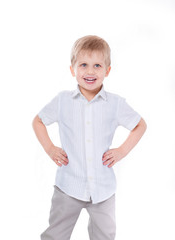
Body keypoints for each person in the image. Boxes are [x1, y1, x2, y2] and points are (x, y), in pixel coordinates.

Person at [32, 35, 147, 240]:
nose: (90, 71)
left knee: (104, 235)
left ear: (107, 70)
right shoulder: (62, 101)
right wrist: (50, 148)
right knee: (55, 235)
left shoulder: (115, 103)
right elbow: (38, 121)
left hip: (103, 189)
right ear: (72, 69)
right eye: (83, 65)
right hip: (68, 185)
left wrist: (121, 151)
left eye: (97, 65)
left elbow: (140, 125)